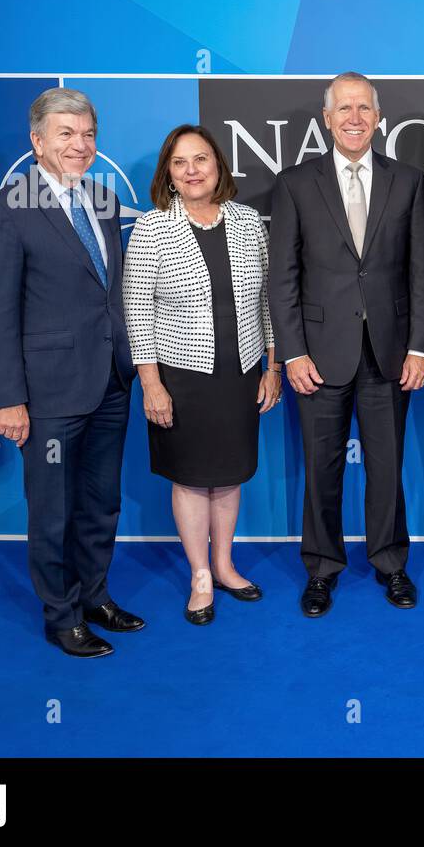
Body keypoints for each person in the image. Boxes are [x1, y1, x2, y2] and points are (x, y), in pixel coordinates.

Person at [0, 88, 142, 658]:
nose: (80, 144)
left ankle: (96, 597)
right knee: (53, 511)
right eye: (66, 134)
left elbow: (107, 294)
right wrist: (10, 399)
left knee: (101, 502)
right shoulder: (5, 210)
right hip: (47, 395)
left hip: (110, 382)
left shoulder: (101, 198)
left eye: (88, 134)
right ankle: (61, 615)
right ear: (37, 141)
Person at [267, 72, 424, 618]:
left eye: (364, 107)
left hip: (390, 353)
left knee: (387, 465)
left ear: (378, 117)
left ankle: (391, 563)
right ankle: (321, 568)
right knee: (322, 465)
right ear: (327, 118)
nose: (355, 117)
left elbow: (422, 274)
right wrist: (291, 352)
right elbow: (283, 277)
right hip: (317, 355)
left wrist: (418, 346)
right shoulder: (295, 183)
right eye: (344, 108)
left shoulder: (408, 181)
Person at [123, 124, 280, 626]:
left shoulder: (249, 221)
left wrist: (272, 364)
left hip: (240, 373)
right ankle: (199, 576)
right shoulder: (152, 228)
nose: (192, 171)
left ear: (219, 168)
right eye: (180, 162)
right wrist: (151, 384)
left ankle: (225, 564)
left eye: (202, 160)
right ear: (168, 173)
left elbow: (268, 302)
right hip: (181, 378)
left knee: (229, 475)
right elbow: (137, 309)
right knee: (191, 479)